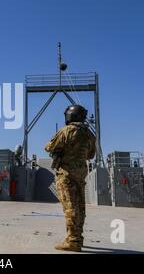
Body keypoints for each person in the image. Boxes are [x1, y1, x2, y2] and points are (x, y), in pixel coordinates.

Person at [45, 105, 96, 252]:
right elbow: (90, 155)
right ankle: (78, 237)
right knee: (80, 205)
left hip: (66, 173)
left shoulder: (66, 131)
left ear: (71, 116)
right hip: (80, 172)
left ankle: (73, 241)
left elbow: (49, 147)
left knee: (70, 207)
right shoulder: (89, 134)